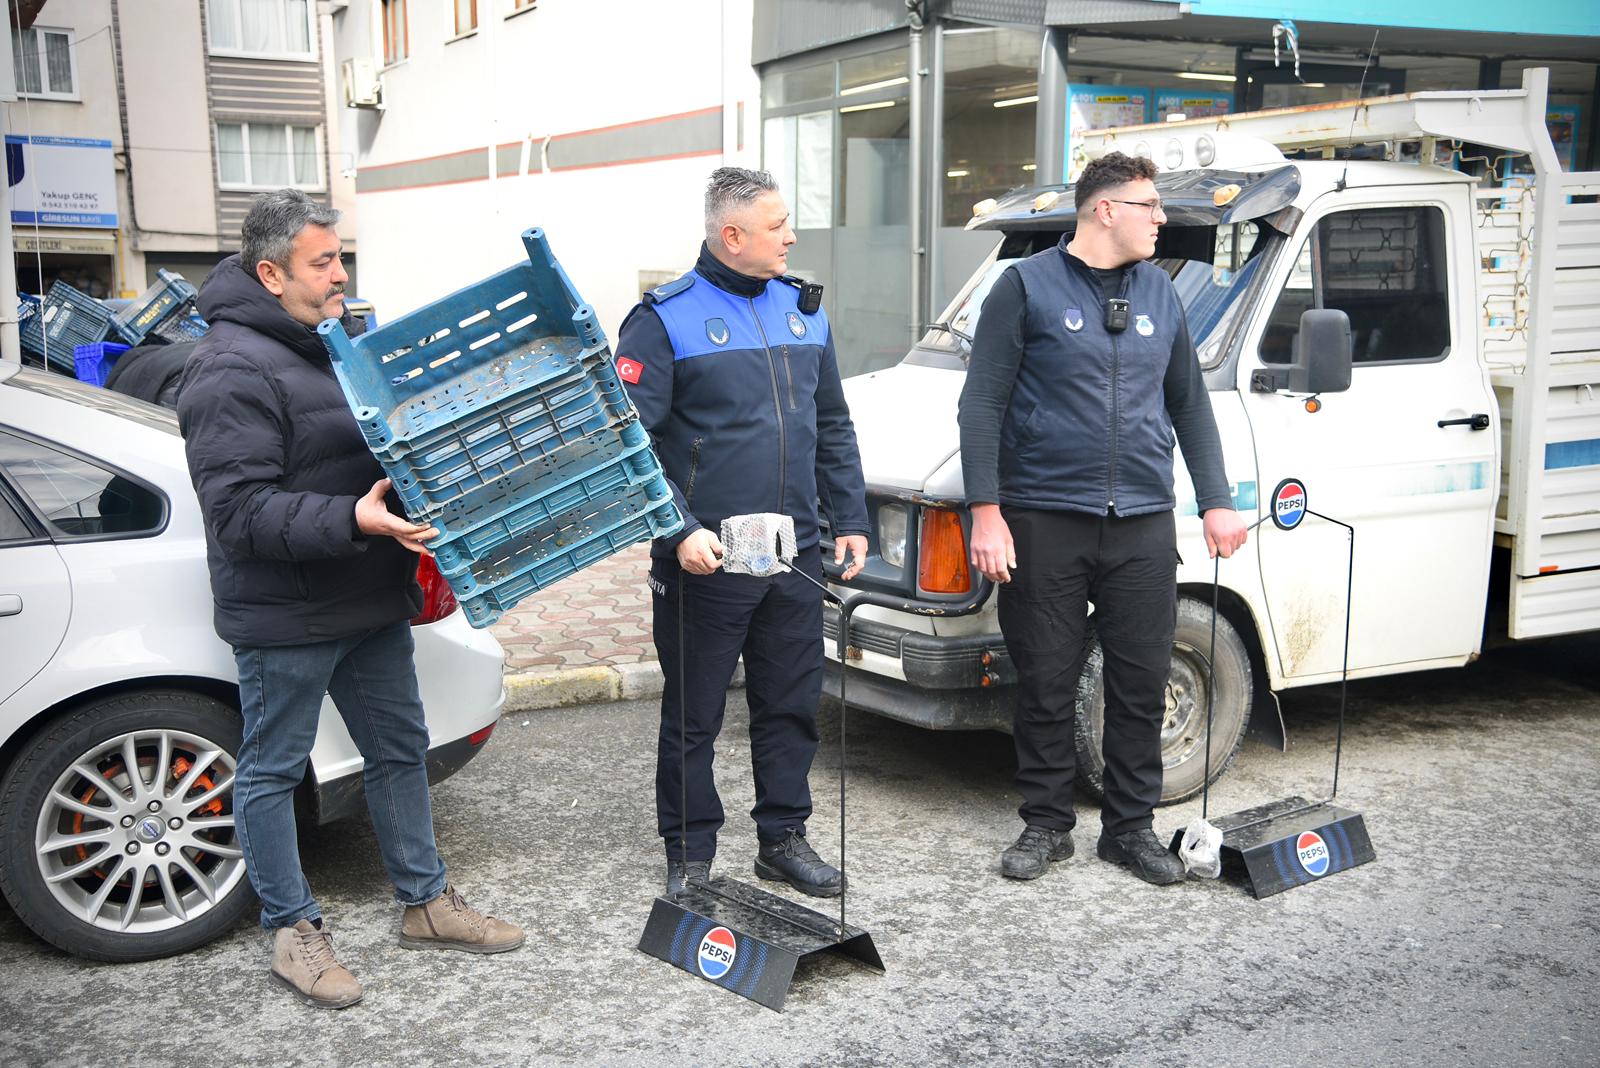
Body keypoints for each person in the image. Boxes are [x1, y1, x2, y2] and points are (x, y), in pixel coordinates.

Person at [177, 189, 523, 1010]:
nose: (341, 275)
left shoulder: (324, 345)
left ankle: (426, 903)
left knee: (400, 749)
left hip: (365, 597)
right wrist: (353, 517)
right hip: (287, 613)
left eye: (342, 258)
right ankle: (292, 932)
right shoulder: (228, 369)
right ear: (270, 273)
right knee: (270, 770)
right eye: (322, 262)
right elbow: (237, 512)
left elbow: (357, 445)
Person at [957, 152, 1249, 886]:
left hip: (1143, 521)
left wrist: (1215, 499)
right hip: (1043, 516)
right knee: (1048, 680)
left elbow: (1189, 402)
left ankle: (1129, 829)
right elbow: (982, 404)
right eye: (1149, 205)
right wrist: (986, 514)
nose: (1161, 218)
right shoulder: (1024, 288)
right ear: (1104, 210)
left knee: (1142, 680)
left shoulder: (1161, 292)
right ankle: (1047, 825)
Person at [615, 167, 870, 898]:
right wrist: (679, 528)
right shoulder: (663, 319)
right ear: (733, 235)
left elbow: (832, 425)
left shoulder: (803, 309)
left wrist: (848, 518)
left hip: (794, 555)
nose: (791, 236)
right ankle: (690, 852)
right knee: (695, 714)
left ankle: (783, 838)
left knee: (790, 701)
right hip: (708, 559)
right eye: (777, 225)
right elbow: (628, 443)